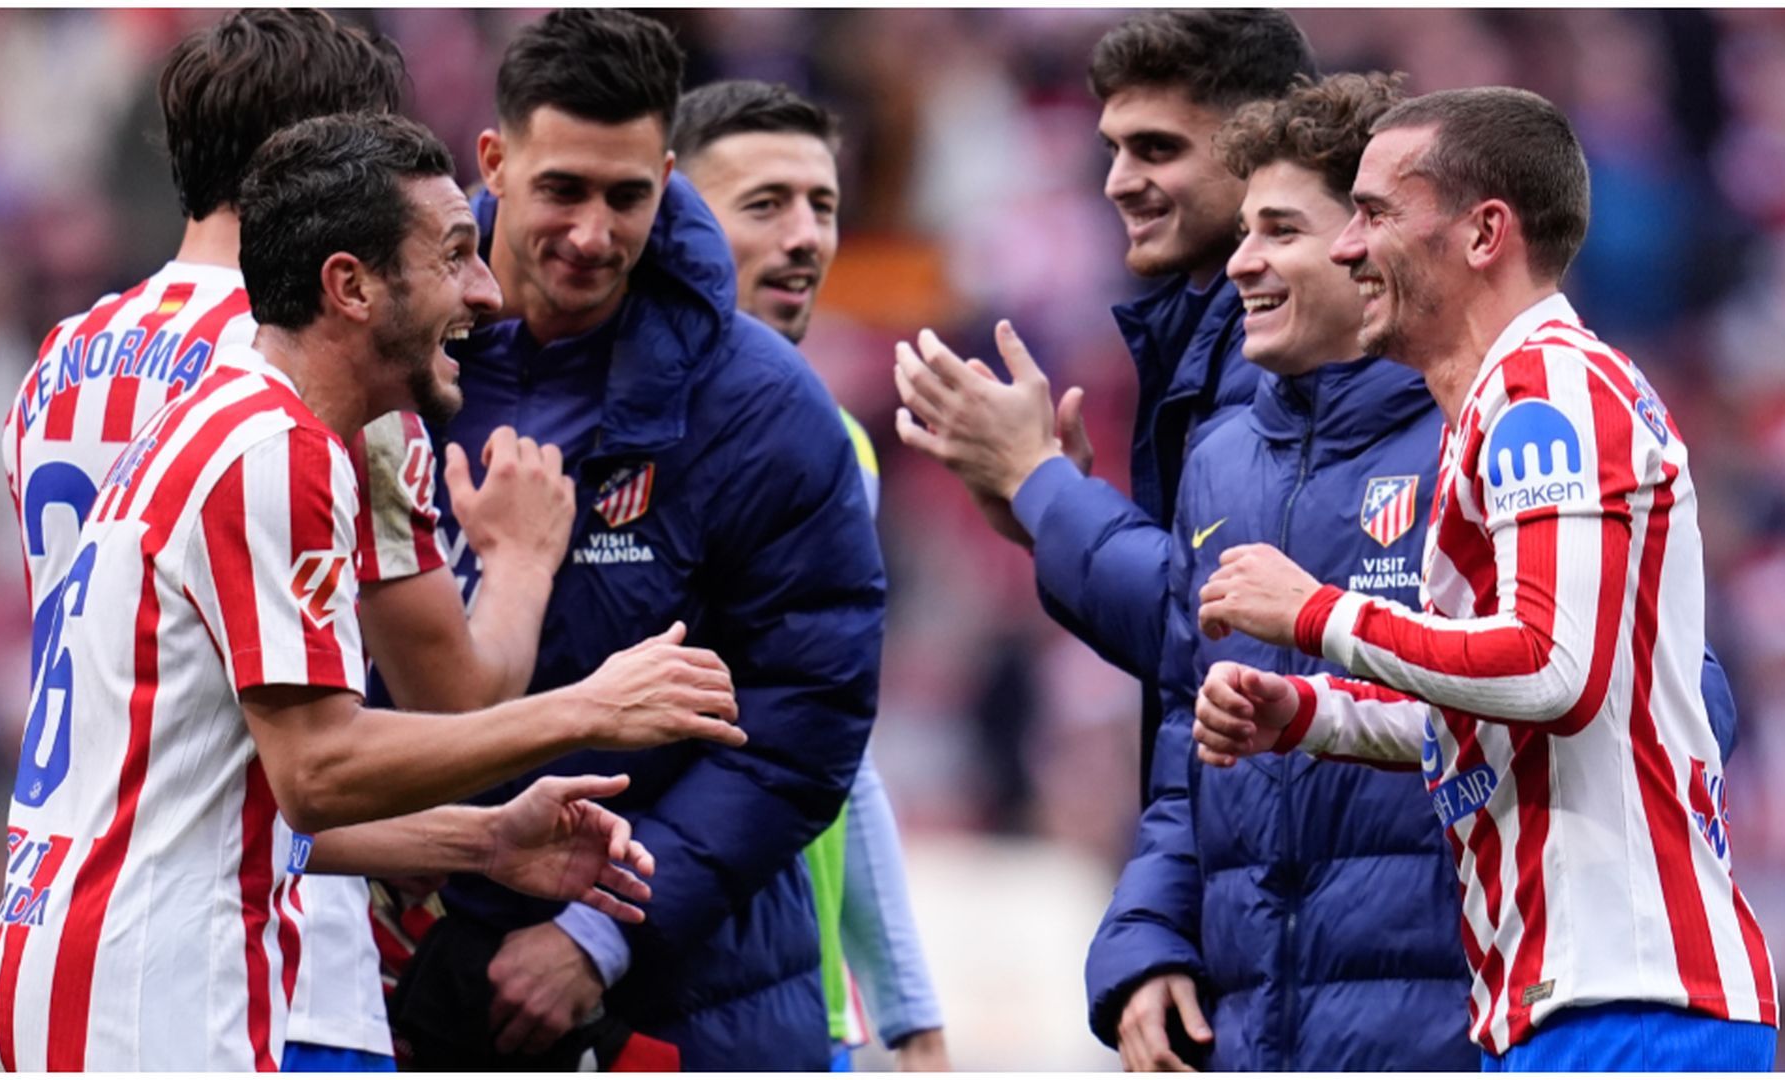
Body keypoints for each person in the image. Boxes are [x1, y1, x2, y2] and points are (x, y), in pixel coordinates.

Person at [0, 111, 747, 1072]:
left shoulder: (219, 420)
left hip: (65, 963)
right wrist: (588, 708)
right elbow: (319, 773)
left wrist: (481, 839)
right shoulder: (277, 452)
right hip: (146, 1002)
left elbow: (222, 798)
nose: (486, 291)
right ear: (350, 286)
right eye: (456, 255)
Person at [1192, 87, 1777, 1070]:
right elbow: (1505, 715)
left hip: (1630, 1000)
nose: (1347, 246)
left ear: (1482, 234)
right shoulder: (1499, 410)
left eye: (1375, 214)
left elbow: (1553, 670)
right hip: (1570, 1004)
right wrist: (1310, 715)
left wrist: (1317, 611)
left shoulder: (1549, 394)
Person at [394, 10, 884, 1070]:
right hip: (398, 964)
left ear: (668, 175)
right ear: (495, 162)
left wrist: (600, 933)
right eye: (562, 190)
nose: (593, 234)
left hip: (690, 998)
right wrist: (387, 871)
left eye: (628, 197)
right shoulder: (396, 361)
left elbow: (806, 709)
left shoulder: (762, 405)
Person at [1085, 72, 1477, 1072]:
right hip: (1256, 1034)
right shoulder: (1219, 458)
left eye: (1279, 231)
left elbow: (1666, 698)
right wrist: (1147, 942)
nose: (1241, 264)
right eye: (1243, 232)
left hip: (1443, 1028)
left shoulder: (1488, 435)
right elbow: (1187, 742)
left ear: (1372, 244)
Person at [892, 10, 1317, 800]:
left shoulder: (1293, 355)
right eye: (1113, 150)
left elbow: (1209, 633)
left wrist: (1043, 483)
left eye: (1158, 148)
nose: (1118, 180)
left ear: (1262, 152)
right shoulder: (1207, 336)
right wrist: (1044, 510)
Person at [674, 79, 950, 1071]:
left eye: (823, 206)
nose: (806, 238)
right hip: (643, 988)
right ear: (674, 215)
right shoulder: (600, 434)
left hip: (806, 1004)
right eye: (765, 205)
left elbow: (842, 748)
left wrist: (911, 1013)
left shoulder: (836, 445)